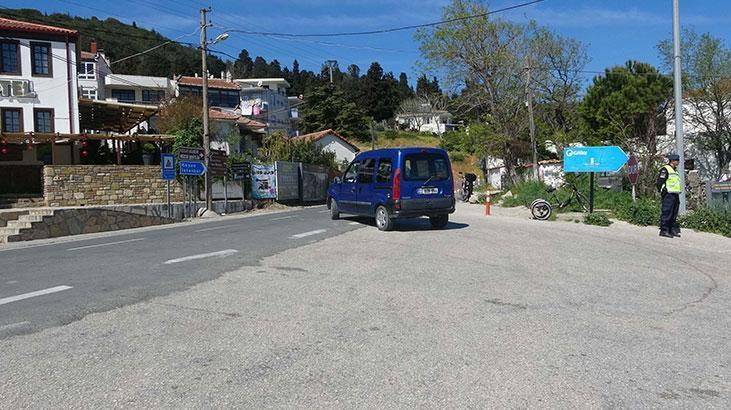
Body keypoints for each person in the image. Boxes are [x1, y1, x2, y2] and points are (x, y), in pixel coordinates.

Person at [656, 154, 683, 238]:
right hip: (668, 194)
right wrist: (662, 191)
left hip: (675, 194)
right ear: (672, 161)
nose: (678, 162)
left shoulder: (675, 170)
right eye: (677, 160)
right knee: (667, 212)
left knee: (674, 212)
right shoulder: (665, 169)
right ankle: (664, 230)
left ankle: (671, 229)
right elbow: (660, 181)